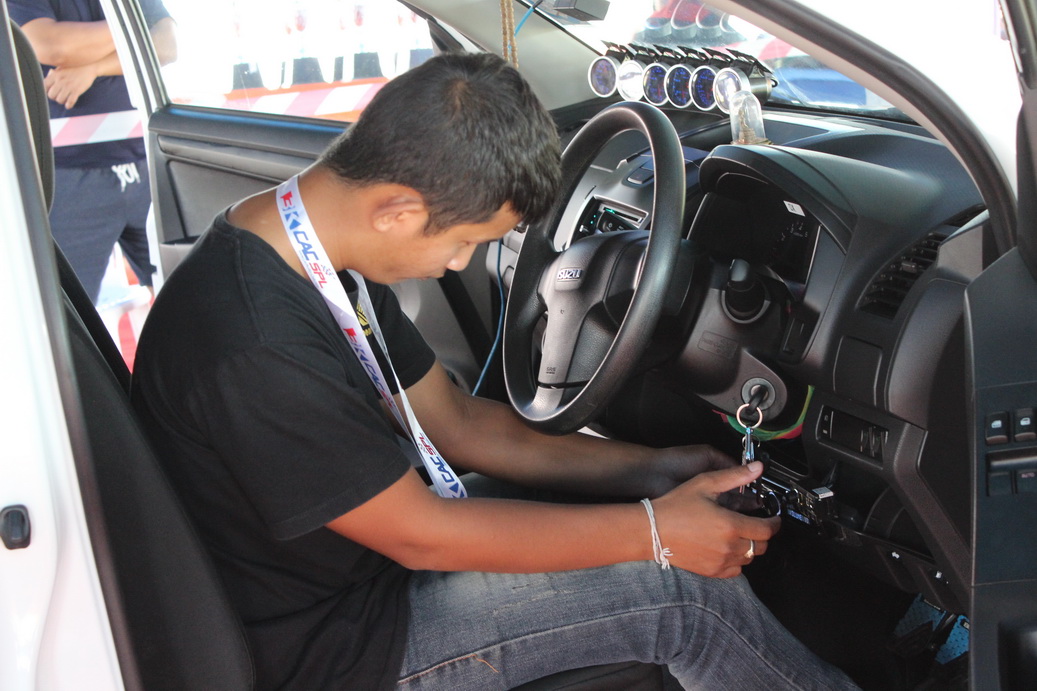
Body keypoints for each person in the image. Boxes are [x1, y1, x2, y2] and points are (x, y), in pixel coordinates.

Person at [130, 52, 858, 690]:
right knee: (687, 600)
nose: (460, 265)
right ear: (396, 210)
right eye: (463, 242)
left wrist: (652, 469)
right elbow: (421, 533)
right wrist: (656, 534)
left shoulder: (317, 255)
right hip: (337, 647)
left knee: (596, 503)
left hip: (367, 577)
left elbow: (459, 423)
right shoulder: (254, 342)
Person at [7, 0, 176, 303]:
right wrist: (135, 23)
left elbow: (166, 45)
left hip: (145, 162)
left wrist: (93, 67)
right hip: (67, 176)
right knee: (70, 310)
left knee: (182, 296)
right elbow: (53, 46)